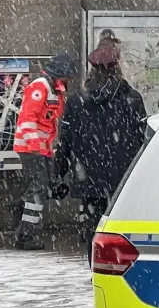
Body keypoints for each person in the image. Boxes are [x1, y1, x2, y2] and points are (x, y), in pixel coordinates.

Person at [55, 43, 148, 240]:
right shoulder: (132, 99)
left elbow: (66, 140)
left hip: (88, 176)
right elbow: (143, 139)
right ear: (117, 68)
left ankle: (95, 266)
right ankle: (116, 268)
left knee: (94, 231)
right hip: (123, 178)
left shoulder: (76, 101)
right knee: (121, 233)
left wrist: (59, 173)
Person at [12, 52, 77, 250]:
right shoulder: (41, 87)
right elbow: (28, 119)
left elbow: (48, 123)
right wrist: (36, 148)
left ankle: (20, 213)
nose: (69, 80)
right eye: (67, 75)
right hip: (32, 148)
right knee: (38, 189)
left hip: (40, 148)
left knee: (40, 188)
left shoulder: (54, 89)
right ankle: (26, 234)